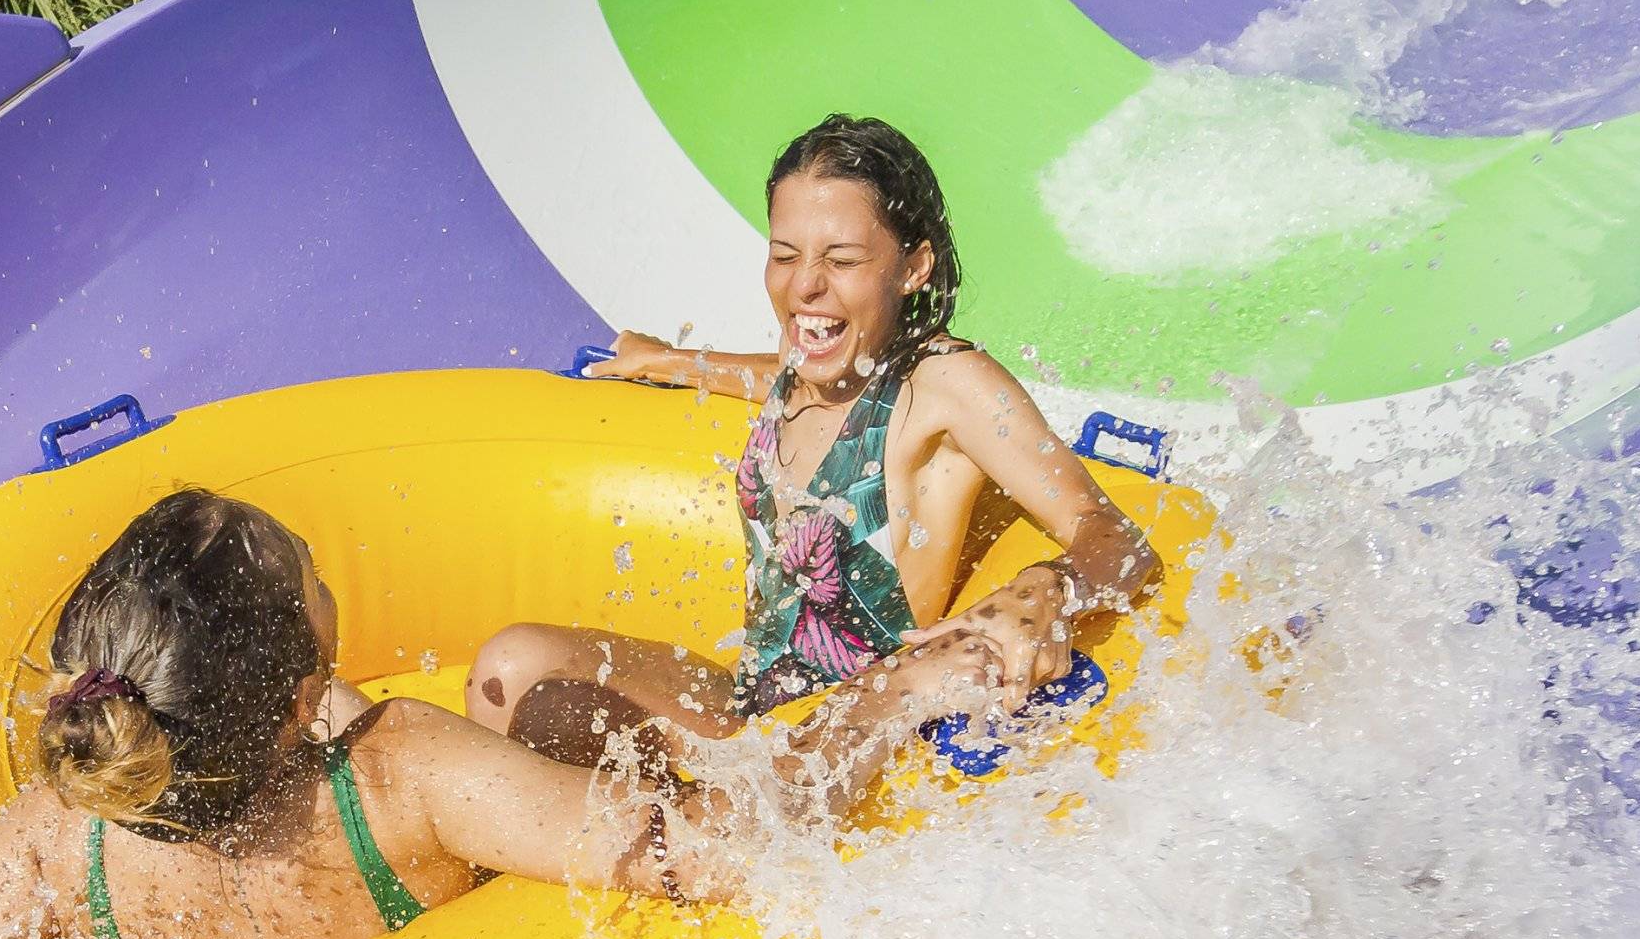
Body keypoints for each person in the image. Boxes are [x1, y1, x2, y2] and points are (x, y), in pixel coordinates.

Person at [0, 488, 1006, 939]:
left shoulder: (57, 833)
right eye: (309, 572)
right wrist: (891, 695)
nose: (319, 567)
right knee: (556, 696)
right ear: (300, 693)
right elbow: (739, 849)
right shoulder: (403, 773)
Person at [468, 114, 1161, 760]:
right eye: (785, 254)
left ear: (913, 267)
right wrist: (674, 362)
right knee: (512, 663)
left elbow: (1114, 537)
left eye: (843, 259)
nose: (805, 286)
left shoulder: (946, 384)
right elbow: (780, 376)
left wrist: (1042, 593)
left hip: (850, 734)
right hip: (753, 709)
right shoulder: (814, 366)